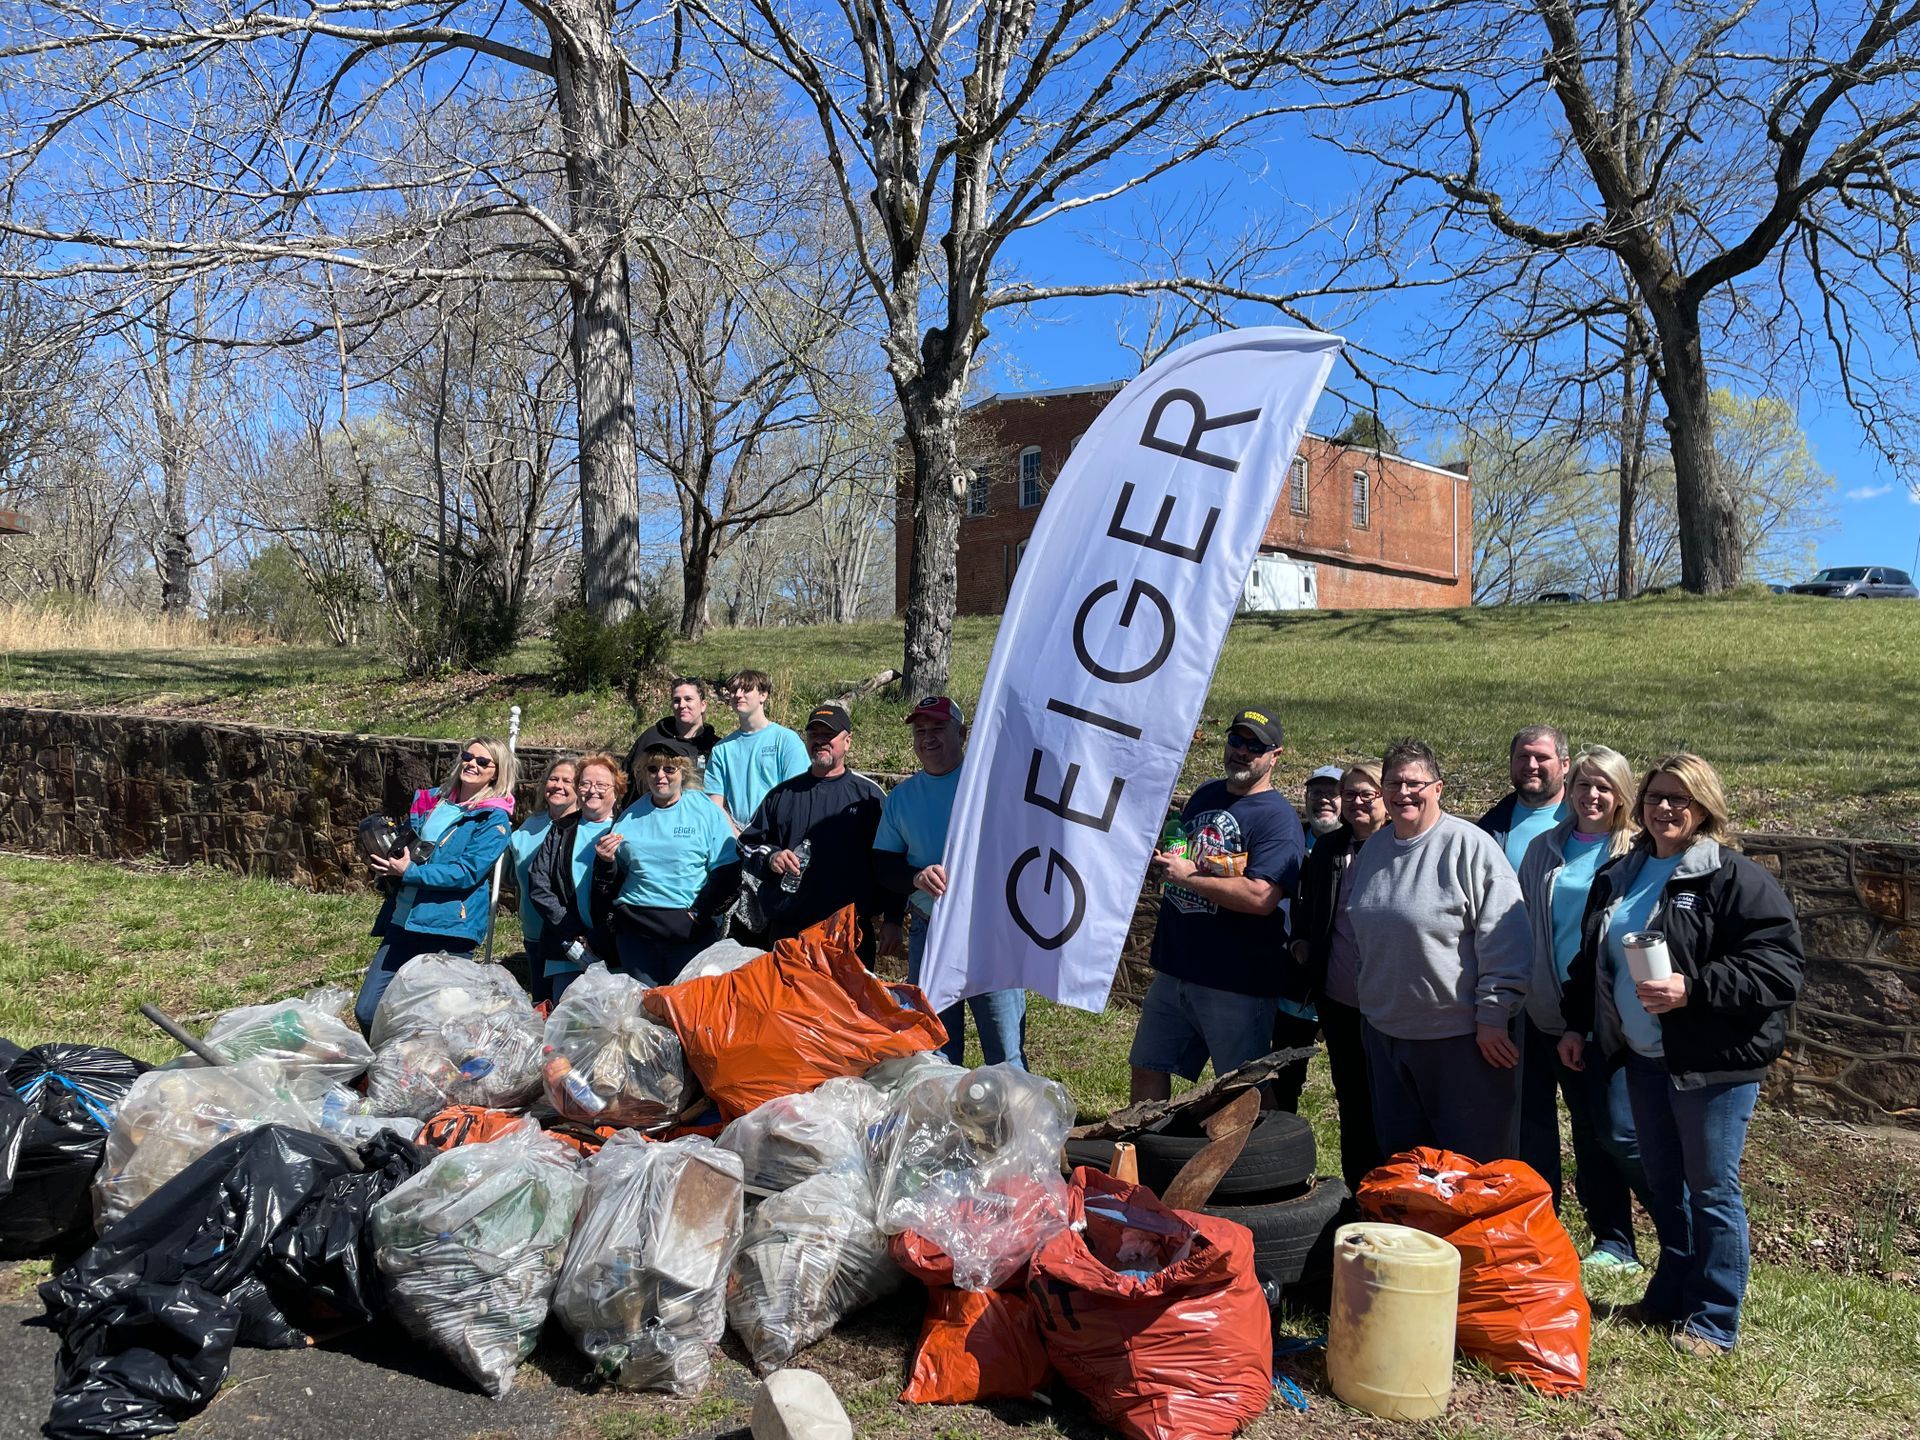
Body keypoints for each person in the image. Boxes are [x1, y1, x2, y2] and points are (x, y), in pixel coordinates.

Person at [1560, 754, 1805, 1356]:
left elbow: (1779, 969)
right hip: (1643, 1058)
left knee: (1712, 1191)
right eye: (1655, 796)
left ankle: (1716, 1319)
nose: (1665, 808)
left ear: (1704, 807)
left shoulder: (1733, 877)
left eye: (1680, 798)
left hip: (1711, 1063)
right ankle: (1671, 1296)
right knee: (1667, 1188)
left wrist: (1692, 989)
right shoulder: (1621, 872)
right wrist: (1576, 1024)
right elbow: (1593, 960)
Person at [1347, 738, 1532, 1162]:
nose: (1403, 793)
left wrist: (1493, 1016)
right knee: (1406, 1165)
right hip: (1386, 1035)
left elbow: (1506, 939)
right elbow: (1363, 936)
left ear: (1438, 788)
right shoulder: (1373, 850)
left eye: (1415, 783)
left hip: (1461, 1041)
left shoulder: (1470, 847)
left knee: (1470, 1168)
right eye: (1393, 783)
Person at [1516, 743, 1653, 1272]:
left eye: (1603, 787)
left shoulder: (1636, 851)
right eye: (1582, 785)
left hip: (1605, 1015)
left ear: (1621, 795)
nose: (1591, 795)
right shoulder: (1544, 847)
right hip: (1543, 1009)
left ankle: (1621, 1240)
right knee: (1540, 1129)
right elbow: (1522, 925)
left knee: (1603, 1131)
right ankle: (1544, 1231)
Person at [1127, 707, 1305, 1104]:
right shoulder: (1206, 793)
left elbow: (1262, 897)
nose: (1241, 751)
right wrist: (1165, 861)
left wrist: (1189, 877)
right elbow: (1185, 857)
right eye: (1236, 740)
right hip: (1175, 969)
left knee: (1242, 1088)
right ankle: (1144, 1141)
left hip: (1236, 982)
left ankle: (1264, 1145)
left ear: (1275, 756)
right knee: (1148, 1065)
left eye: (1254, 747)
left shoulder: (1278, 820)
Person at [874, 695, 1027, 1069]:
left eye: (938, 728)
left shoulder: (991, 785)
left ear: (962, 733)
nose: (928, 737)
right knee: (935, 1048)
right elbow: (884, 864)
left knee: (1004, 1049)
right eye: (920, 731)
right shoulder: (901, 798)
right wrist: (915, 877)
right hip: (931, 932)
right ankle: (945, 1107)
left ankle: (1012, 1107)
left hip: (989, 933)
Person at [355, 736, 517, 1034]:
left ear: (497, 772)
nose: (472, 764)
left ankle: (420, 1062)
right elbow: (410, 847)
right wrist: (390, 861)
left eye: (483, 762)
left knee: (438, 1021)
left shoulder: (493, 819)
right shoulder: (433, 801)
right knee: (368, 1010)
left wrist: (410, 872)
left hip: (449, 929)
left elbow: (466, 872)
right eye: (468, 757)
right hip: (404, 920)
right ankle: (388, 1059)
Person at [1282, 762, 1389, 1191]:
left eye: (1367, 794)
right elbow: (1307, 910)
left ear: (1385, 798)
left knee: (1392, 1102)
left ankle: (1396, 1189)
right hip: (1340, 997)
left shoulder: (1402, 845)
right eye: (1351, 794)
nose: (1357, 802)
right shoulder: (1329, 849)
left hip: (1393, 1002)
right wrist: (1301, 944)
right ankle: (1359, 1190)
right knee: (1352, 1099)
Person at [737, 702, 889, 959]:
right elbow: (745, 845)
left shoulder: (869, 796)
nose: (820, 741)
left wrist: (892, 918)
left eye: (829, 735)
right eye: (814, 734)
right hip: (790, 933)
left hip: (849, 934)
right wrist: (772, 857)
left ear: (848, 741)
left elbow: (890, 857)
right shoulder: (782, 794)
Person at [598, 736, 742, 984]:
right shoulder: (630, 816)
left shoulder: (704, 810)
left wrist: (699, 913)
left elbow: (728, 869)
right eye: (652, 769)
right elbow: (612, 879)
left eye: (669, 769)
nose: (660, 776)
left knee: (686, 1003)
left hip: (687, 929)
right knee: (645, 1003)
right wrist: (605, 861)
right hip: (636, 928)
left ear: (683, 772)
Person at [525, 752, 626, 1003]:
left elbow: (629, 889)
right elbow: (538, 883)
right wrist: (572, 931)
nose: (592, 791)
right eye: (585, 783)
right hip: (567, 947)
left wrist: (597, 937)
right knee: (566, 1021)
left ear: (617, 790)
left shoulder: (626, 829)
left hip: (614, 949)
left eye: (601, 785)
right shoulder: (561, 828)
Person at [508, 757, 578, 1004]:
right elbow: (514, 876)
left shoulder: (584, 826)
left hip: (566, 934)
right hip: (534, 932)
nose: (559, 785)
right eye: (553, 779)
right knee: (541, 1005)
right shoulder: (531, 824)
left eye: (567, 781)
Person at [704, 668, 808, 829]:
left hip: (777, 833)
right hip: (735, 835)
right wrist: (737, 836)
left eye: (746, 690)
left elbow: (798, 795)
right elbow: (715, 805)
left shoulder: (786, 740)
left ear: (763, 695)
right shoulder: (721, 749)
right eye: (734, 690)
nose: (738, 695)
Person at [1479, 725, 1572, 872]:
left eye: (1542, 758)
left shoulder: (1587, 818)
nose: (1531, 765)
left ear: (1565, 765)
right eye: (1523, 757)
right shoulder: (1490, 826)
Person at [626, 676, 720, 795]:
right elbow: (628, 779)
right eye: (676, 700)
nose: (682, 705)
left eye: (688, 699)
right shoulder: (652, 738)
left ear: (703, 705)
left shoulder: (716, 747)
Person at [1302, 765, 1345, 852]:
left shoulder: (1358, 851)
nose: (1323, 800)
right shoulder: (1289, 840)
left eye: (1332, 793)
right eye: (1316, 793)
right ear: (1305, 798)